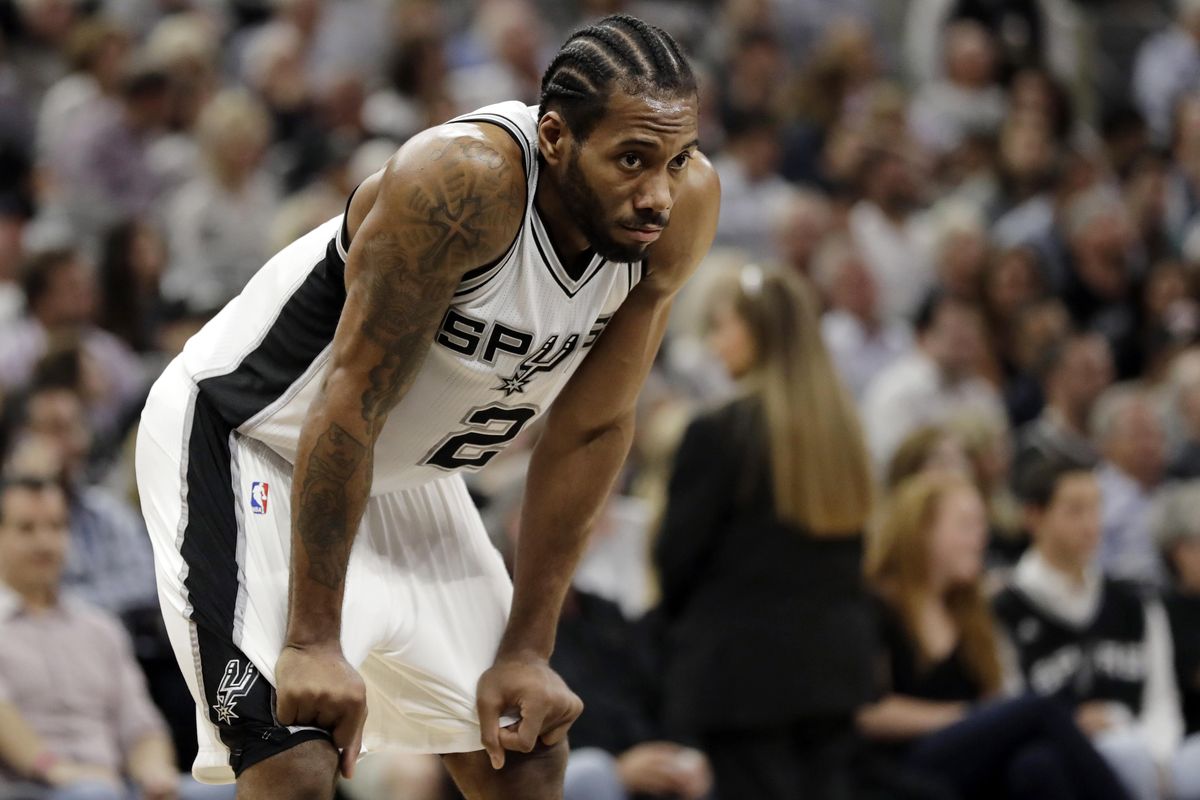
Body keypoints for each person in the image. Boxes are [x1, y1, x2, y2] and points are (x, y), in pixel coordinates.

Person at [133, 14, 720, 800]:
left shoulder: (681, 209)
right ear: (554, 138)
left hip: (403, 473)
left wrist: (528, 650)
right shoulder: (465, 182)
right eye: (632, 160)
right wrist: (312, 638)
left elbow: (593, 430)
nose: (658, 193)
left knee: (523, 748)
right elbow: (348, 404)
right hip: (253, 438)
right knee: (293, 754)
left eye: (676, 160)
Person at [655, 265, 878, 800]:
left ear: (758, 331)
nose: (714, 343)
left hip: (742, 676)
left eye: (722, 326)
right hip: (833, 672)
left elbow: (675, 561)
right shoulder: (845, 435)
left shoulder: (720, 431)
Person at [860, 472, 1132, 800]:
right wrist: (963, 716)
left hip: (969, 752)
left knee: (1038, 765)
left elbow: (991, 696)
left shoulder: (970, 612)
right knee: (1038, 709)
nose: (980, 539)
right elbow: (868, 712)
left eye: (981, 526)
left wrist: (979, 717)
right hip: (902, 760)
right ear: (920, 529)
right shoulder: (877, 607)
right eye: (966, 526)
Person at [0, 475, 231, 800]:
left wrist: (154, 772)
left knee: (237, 788)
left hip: (114, 786)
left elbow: (140, 724)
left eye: (56, 527)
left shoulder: (100, 629)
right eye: (27, 529)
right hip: (33, 788)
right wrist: (57, 769)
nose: (45, 542)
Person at [996, 459, 1200, 800]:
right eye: (1075, 511)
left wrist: (1158, 758)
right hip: (1063, 755)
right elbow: (1006, 703)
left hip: (1148, 753)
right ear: (1034, 517)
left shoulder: (1135, 601)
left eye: (1096, 508)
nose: (1092, 525)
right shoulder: (1007, 607)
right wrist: (1073, 725)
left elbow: (1162, 700)